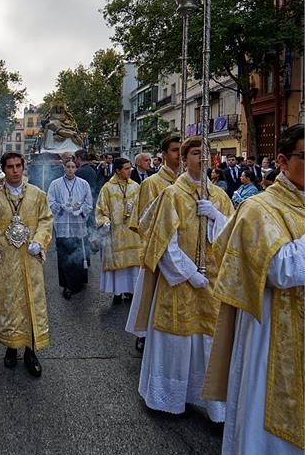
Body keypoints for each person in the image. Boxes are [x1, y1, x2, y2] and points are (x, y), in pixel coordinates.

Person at [203, 124, 304, 455]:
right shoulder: (260, 208)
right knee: (275, 446)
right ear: (281, 162)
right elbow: (281, 268)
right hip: (272, 346)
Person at [134, 136, 232, 420]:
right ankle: (171, 399)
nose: (201, 158)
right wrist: (190, 273)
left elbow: (234, 240)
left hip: (212, 285)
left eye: (206, 153)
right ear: (185, 158)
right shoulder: (173, 195)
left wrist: (217, 218)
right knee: (177, 342)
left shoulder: (221, 197)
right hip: (180, 283)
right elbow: (164, 243)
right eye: (195, 153)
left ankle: (213, 405)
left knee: (207, 343)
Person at [0, 152, 53, 377]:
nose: (14, 170)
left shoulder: (37, 194)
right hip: (6, 262)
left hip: (29, 262)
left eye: (18, 166)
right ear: (2, 169)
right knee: (10, 305)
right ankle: (11, 347)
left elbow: (46, 220)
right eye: (9, 166)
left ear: (23, 167)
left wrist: (39, 242)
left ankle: (31, 351)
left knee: (31, 305)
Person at [127, 135, 181, 351]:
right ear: (165, 154)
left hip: (183, 248)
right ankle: (144, 333)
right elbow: (143, 220)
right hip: (159, 248)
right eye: (175, 150)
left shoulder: (189, 182)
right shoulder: (152, 183)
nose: (179, 155)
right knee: (151, 293)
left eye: (181, 150)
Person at [95, 157, 142, 306]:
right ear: (117, 170)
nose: (130, 171)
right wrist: (105, 222)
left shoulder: (136, 187)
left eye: (130, 168)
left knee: (132, 266)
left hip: (132, 233)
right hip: (115, 233)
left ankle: (131, 290)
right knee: (118, 267)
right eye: (127, 169)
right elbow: (100, 210)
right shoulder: (107, 188)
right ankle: (117, 292)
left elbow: (142, 208)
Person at [47, 157, 93, 299]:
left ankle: (78, 282)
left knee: (78, 254)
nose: (70, 169)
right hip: (62, 225)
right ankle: (67, 285)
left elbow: (89, 203)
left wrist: (80, 210)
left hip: (78, 225)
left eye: (73, 167)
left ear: (76, 168)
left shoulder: (83, 184)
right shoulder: (55, 184)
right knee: (65, 256)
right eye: (68, 167)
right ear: (64, 168)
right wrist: (62, 207)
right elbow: (50, 201)